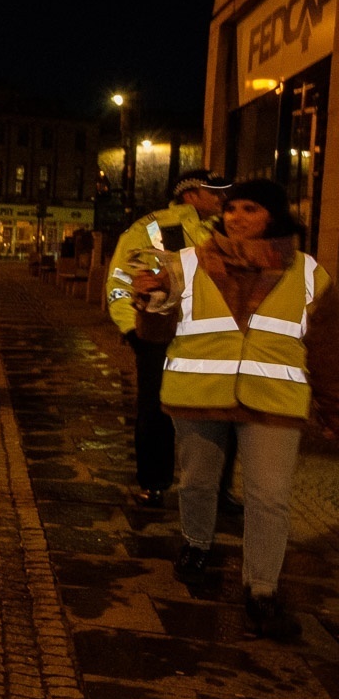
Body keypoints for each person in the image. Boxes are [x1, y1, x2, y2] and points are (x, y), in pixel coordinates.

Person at [131, 178, 338, 640]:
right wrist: (147, 301)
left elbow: (326, 347)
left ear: (274, 216)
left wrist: (331, 406)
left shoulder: (308, 272)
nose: (235, 217)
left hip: (275, 401)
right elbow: (155, 333)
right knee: (198, 481)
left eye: (249, 208)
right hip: (198, 393)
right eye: (231, 209)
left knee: (269, 497)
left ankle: (261, 590)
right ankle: (196, 544)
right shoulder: (186, 262)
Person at [105, 168, 229, 506]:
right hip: (162, 337)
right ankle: (154, 482)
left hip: (216, 338)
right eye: (213, 192)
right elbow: (120, 279)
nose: (222, 198)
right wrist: (132, 329)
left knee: (221, 412)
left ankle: (218, 488)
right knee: (156, 410)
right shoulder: (155, 226)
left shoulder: (227, 229)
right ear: (189, 195)